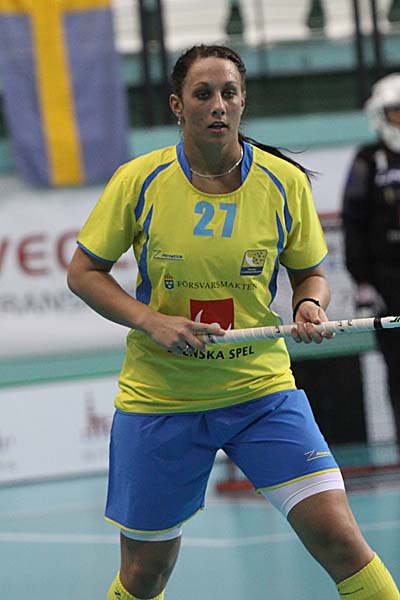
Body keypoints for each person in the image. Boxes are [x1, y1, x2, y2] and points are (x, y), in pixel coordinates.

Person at [67, 45, 400, 600]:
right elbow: (83, 273)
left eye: (229, 93)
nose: (218, 105)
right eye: (203, 94)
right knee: (144, 576)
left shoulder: (283, 182)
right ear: (177, 105)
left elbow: (311, 274)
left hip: (261, 393)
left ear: (243, 101)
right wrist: (151, 321)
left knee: (343, 543)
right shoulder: (139, 180)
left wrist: (310, 304)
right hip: (162, 399)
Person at [342, 73, 400, 446]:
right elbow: (353, 221)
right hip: (388, 282)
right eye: (396, 112)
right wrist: (362, 280)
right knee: (398, 370)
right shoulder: (368, 160)